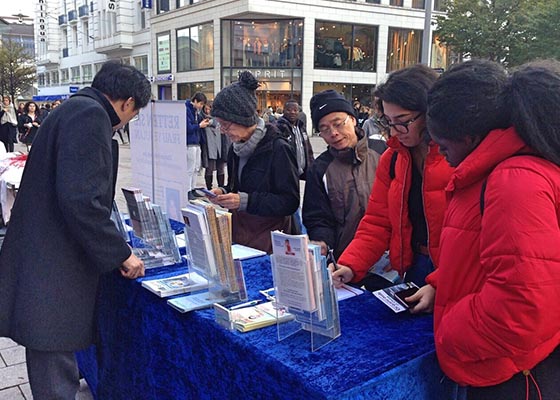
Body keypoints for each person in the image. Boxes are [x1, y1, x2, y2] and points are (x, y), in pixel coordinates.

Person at [409, 59, 560, 398]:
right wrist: (440, 286)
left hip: (513, 374)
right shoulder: (500, 172)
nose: (444, 159)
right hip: (510, 362)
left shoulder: (514, 181)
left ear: (471, 137)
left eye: (445, 148)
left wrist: (450, 330)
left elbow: (522, 307)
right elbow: (480, 257)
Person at [0, 61, 150, 400]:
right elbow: (81, 200)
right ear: (127, 102)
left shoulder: (73, 109)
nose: (130, 119)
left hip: (45, 255)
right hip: (53, 264)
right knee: (53, 358)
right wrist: (121, 253)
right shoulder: (90, 117)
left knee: (51, 351)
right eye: (134, 112)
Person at [332, 64, 454, 291]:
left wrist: (441, 282)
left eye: (403, 121)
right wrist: (350, 264)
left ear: (430, 112)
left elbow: (473, 238)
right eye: (388, 121)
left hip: (456, 270)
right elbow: (377, 222)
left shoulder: (456, 155)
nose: (395, 130)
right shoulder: (392, 158)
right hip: (416, 265)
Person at [207, 71, 299, 253]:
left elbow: (290, 201)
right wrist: (224, 191)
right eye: (220, 125)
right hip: (241, 233)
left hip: (270, 239)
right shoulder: (235, 148)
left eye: (226, 124)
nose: (223, 131)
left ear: (242, 118)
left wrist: (245, 201)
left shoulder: (278, 148)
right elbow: (239, 186)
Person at [302, 90, 381, 259]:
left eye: (338, 124)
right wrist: (323, 241)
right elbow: (317, 217)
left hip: (386, 258)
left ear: (353, 120)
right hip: (345, 259)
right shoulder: (319, 168)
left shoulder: (383, 152)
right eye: (324, 129)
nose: (333, 133)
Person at [275, 99, 314, 180]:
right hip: (286, 173)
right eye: (289, 110)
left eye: (295, 110)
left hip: (302, 171)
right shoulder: (278, 128)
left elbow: (308, 149)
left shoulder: (301, 127)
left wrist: (311, 165)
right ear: (284, 111)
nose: (292, 112)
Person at [186, 92, 210, 200]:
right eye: (200, 103)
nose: (201, 106)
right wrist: (199, 126)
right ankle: (187, 190)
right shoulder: (186, 110)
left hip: (196, 143)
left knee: (196, 168)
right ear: (195, 101)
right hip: (189, 143)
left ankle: (192, 188)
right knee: (190, 168)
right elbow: (187, 128)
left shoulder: (197, 112)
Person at [200, 101, 229, 189]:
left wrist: (210, 122)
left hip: (220, 146)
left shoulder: (218, 118)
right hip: (209, 147)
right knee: (209, 169)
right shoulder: (201, 118)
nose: (208, 111)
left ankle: (221, 187)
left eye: (210, 109)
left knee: (220, 168)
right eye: (206, 109)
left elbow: (216, 123)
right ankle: (209, 188)